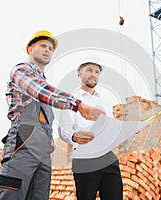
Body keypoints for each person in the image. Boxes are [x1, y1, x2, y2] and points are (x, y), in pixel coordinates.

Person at [0, 30, 105, 200]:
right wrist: (79, 105)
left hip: (43, 150)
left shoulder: (44, 82)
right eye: (43, 46)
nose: (48, 50)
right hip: (23, 144)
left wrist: (50, 139)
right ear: (30, 49)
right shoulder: (21, 70)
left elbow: (44, 114)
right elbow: (40, 91)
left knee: (39, 196)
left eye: (51, 48)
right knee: (12, 194)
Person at [58, 62, 123, 200]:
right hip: (85, 156)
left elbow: (110, 129)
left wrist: (123, 131)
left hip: (108, 157)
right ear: (79, 72)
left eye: (97, 72)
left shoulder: (105, 102)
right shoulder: (71, 100)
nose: (93, 74)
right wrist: (74, 136)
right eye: (89, 70)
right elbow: (63, 128)